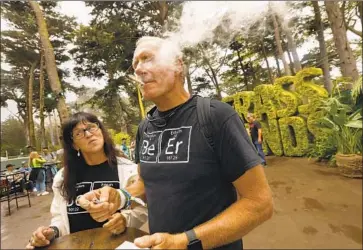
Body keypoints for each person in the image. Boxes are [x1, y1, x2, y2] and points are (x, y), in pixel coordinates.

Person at [77, 36, 273, 250]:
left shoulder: (216, 117)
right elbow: (146, 181)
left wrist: (184, 242)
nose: (139, 70)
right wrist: (121, 196)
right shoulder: (145, 127)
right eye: (135, 65)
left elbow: (259, 204)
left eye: (147, 59)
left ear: (177, 65)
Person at [25, 112, 147, 250]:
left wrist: (125, 219)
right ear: (74, 145)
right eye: (79, 133)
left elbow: (142, 209)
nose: (88, 134)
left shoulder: (128, 169)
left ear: (101, 131)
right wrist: (51, 232)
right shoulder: (62, 177)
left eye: (92, 127)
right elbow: (59, 217)